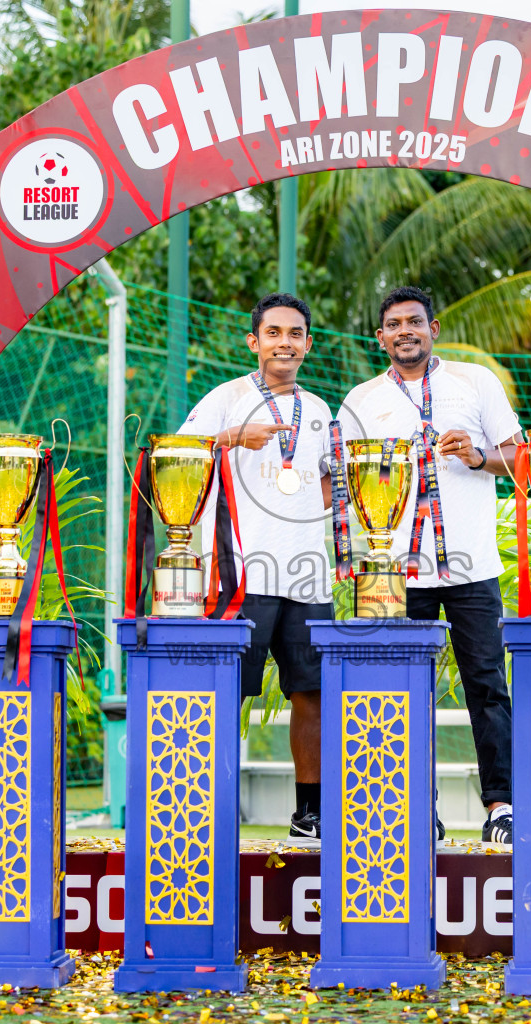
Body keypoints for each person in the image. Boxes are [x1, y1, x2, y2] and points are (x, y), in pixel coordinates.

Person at [340, 285, 522, 844]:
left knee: (486, 685)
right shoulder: (360, 401)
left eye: (414, 321)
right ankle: (414, 810)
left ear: (433, 327)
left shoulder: (476, 383)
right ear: (380, 338)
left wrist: (476, 455)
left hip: (471, 568)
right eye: (393, 324)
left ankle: (501, 807)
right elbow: (346, 487)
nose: (404, 332)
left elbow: (520, 457)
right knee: (399, 690)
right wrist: (354, 563)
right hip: (394, 573)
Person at [179, 293, 333, 841]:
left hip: (308, 574)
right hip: (240, 572)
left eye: (295, 334)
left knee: (311, 693)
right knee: (225, 692)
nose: (284, 342)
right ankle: (206, 810)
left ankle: (308, 813)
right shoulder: (226, 398)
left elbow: (325, 482)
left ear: (308, 345)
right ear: (254, 341)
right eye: (274, 333)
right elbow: (176, 454)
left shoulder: (318, 410)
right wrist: (231, 437)